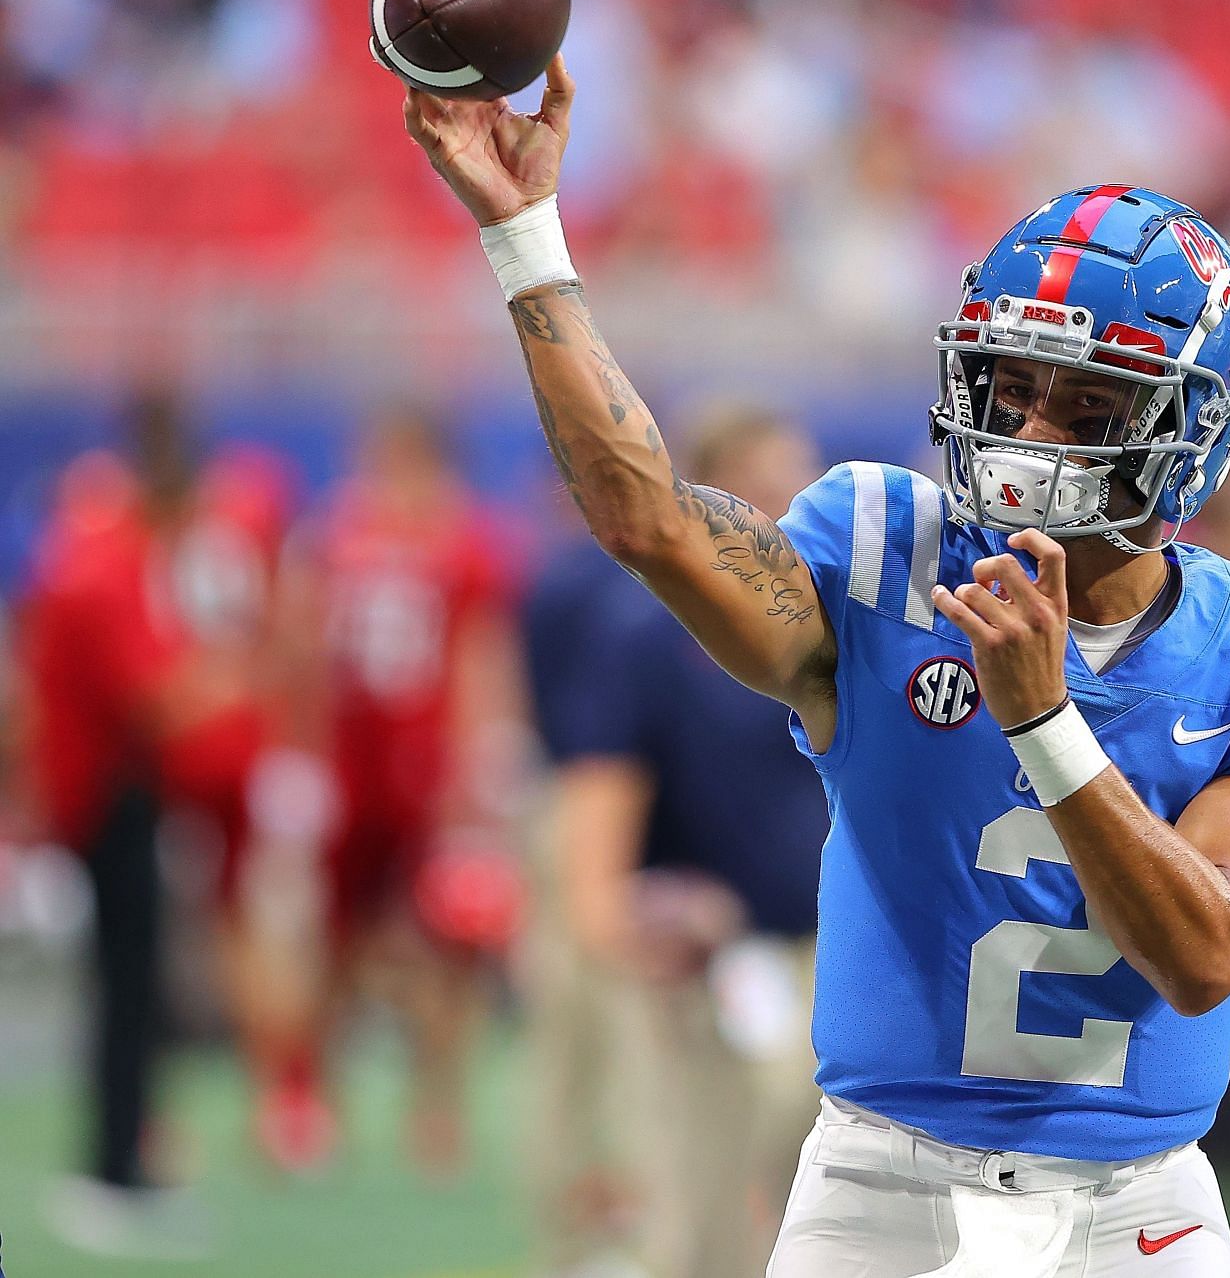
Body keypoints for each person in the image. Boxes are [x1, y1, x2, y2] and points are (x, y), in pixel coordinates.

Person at [403, 61, 1230, 1273]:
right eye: (1010, 387)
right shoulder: (887, 555)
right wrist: (523, 237)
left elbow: (1204, 957)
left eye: (1086, 408)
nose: (1027, 436)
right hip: (887, 1190)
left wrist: (1045, 723)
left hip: (1142, 1214)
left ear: (1189, 435)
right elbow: (647, 520)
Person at [522, 406, 829, 1278]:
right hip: (716, 963)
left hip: (832, 954)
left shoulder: (833, 628)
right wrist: (624, 920)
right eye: (762, 488)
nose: (784, 513)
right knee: (703, 1220)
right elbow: (595, 819)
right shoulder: (644, 637)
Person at [16, 395, 254, 1259]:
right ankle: (112, 1170)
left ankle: (128, 1158)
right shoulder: (107, 562)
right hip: (104, 798)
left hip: (109, 793)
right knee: (126, 986)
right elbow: (155, 697)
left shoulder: (104, 553)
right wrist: (240, 678)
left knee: (132, 983)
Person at [278, 403, 517, 1176]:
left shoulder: (465, 541)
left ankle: (436, 1110)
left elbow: (481, 652)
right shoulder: (334, 534)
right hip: (353, 770)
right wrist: (299, 754)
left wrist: (485, 755)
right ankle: (316, 1100)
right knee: (336, 943)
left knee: (451, 947)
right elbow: (303, 646)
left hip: (431, 774)